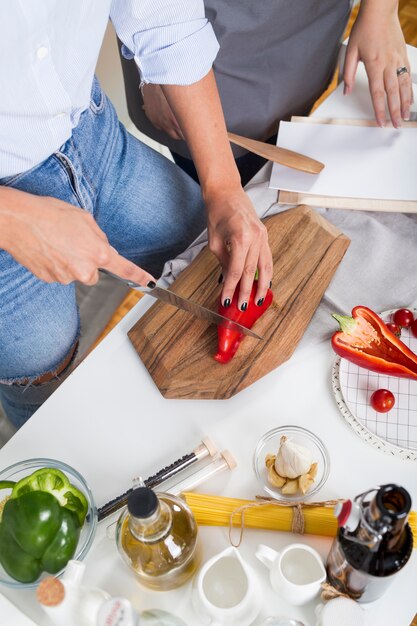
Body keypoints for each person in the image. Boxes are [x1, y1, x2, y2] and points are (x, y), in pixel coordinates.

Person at [0, 1, 273, 428]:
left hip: (91, 134)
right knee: (43, 369)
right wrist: (13, 218)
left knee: (203, 247)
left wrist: (223, 187)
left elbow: (164, 18)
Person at [119, 0, 412, 186]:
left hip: (313, 24)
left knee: (291, 135)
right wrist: (153, 68)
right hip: (197, 35)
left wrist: (381, 11)